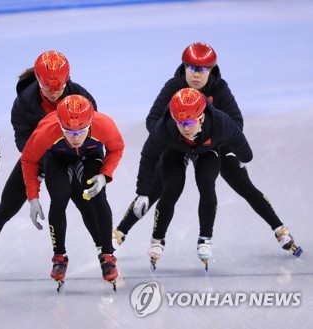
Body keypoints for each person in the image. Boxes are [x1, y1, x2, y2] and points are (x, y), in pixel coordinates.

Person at [113, 42, 302, 258]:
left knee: (242, 183)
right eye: (191, 68)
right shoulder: (173, 87)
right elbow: (152, 120)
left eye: (202, 69)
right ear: (184, 67)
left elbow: (236, 123)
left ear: (211, 70)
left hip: (213, 142)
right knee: (159, 187)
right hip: (178, 141)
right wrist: (175, 135)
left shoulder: (219, 88)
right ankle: (119, 232)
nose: (196, 74)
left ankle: (280, 229)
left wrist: (212, 139)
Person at [0, 50, 102, 260]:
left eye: (59, 88)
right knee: (6, 208)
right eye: (47, 88)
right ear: (37, 80)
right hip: (38, 159)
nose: (53, 93)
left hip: (71, 158)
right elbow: (22, 141)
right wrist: (47, 160)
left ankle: (105, 253)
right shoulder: (23, 104)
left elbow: (93, 131)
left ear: (67, 80)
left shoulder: (82, 97)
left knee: (85, 204)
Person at [135, 88, 253, 269]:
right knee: (171, 188)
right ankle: (157, 238)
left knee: (206, 183)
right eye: (180, 122)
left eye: (190, 122)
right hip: (176, 150)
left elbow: (238, 138)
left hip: (207, 151)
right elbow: (148, 156)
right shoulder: (165, 126)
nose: (186, 128)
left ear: (202, 117)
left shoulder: (220, 122)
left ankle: (205, 237)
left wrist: (245, 157)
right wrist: (143, 192)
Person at [21, 94, 124, 290]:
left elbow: (117, 148)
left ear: (90, 124)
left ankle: (107, 255)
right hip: (57, 159)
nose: (75, 137)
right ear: (59, 124)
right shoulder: (46, 130)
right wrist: (33, 198)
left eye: (81, 131)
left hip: (90, 156)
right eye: (68, 132)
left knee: (98, 196)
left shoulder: (104, 124)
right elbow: (28, 160)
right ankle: (59, 255)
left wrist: (104, 175)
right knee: (59, 197)